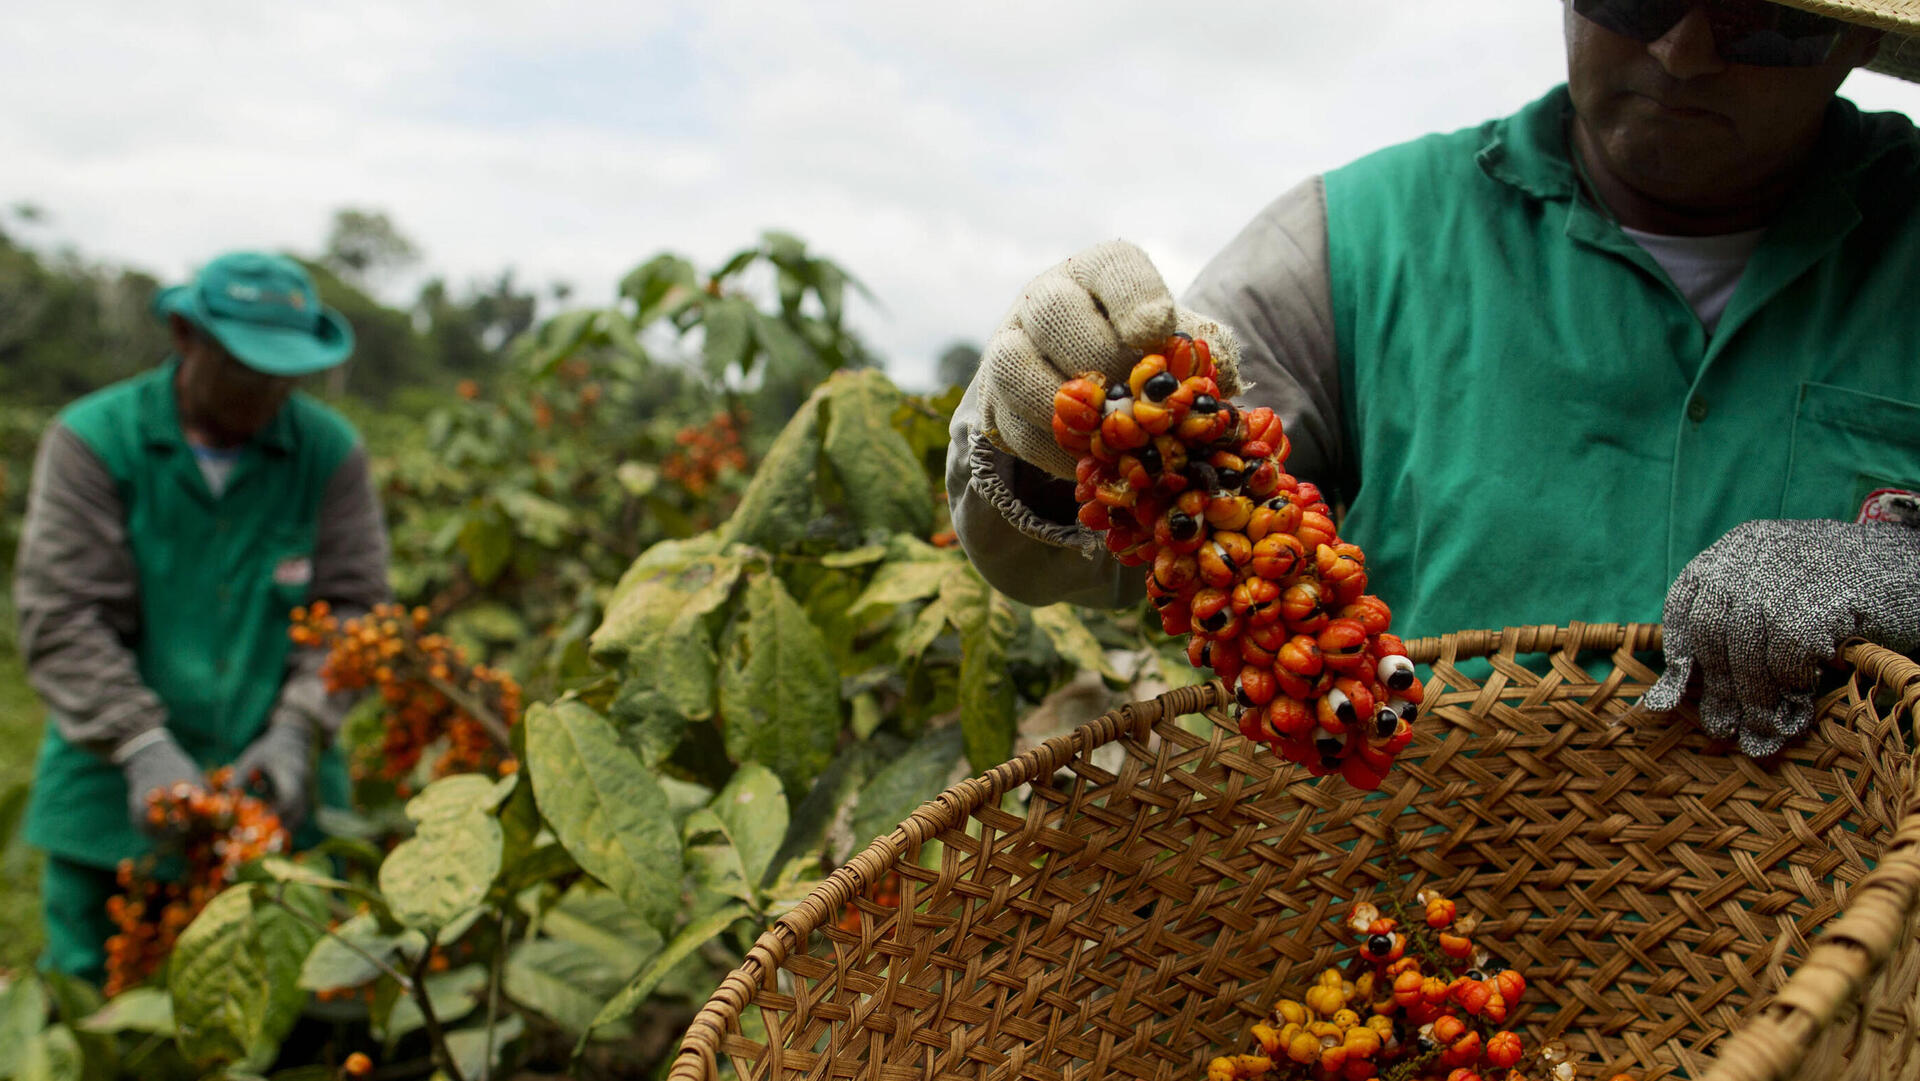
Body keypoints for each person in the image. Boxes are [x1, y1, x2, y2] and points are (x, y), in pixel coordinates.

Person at [948, 0, 1920, 758]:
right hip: (1432, 947)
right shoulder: (1360, 239)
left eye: (1760, 19)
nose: (1682, 50)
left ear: (1851, 39)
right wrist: (1056, 428)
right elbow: (1117, 542)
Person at [15, 251, 390, 982]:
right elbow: (63, 615)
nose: (269, 392)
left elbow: (357, 611)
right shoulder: (94, 440)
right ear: (187, 335)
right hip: (107, 801)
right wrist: (139, 742)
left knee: (291, 1003)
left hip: (282, 802)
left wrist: (298, 726)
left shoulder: (329, 453)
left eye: (286, 375)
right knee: (103, 1004)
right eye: (248, 370)